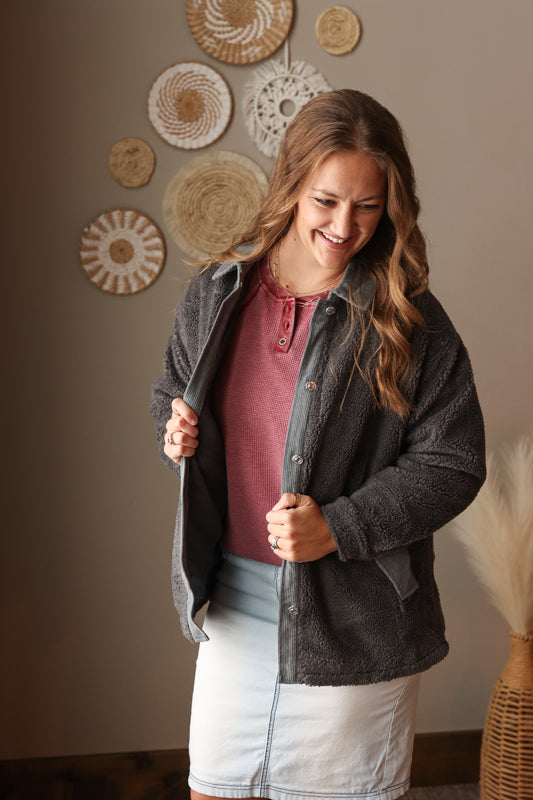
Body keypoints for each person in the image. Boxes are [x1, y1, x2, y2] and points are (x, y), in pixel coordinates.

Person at [150, 89, 486, 800]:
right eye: (326, 201)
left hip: (354, 619)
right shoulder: (218, 292)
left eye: (368, 206)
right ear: (292, 185)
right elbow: (171, 391)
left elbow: (453, 462)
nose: (344, 225)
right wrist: (175, 431)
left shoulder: (409, 319)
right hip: (235, 604)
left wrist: (338, 526)